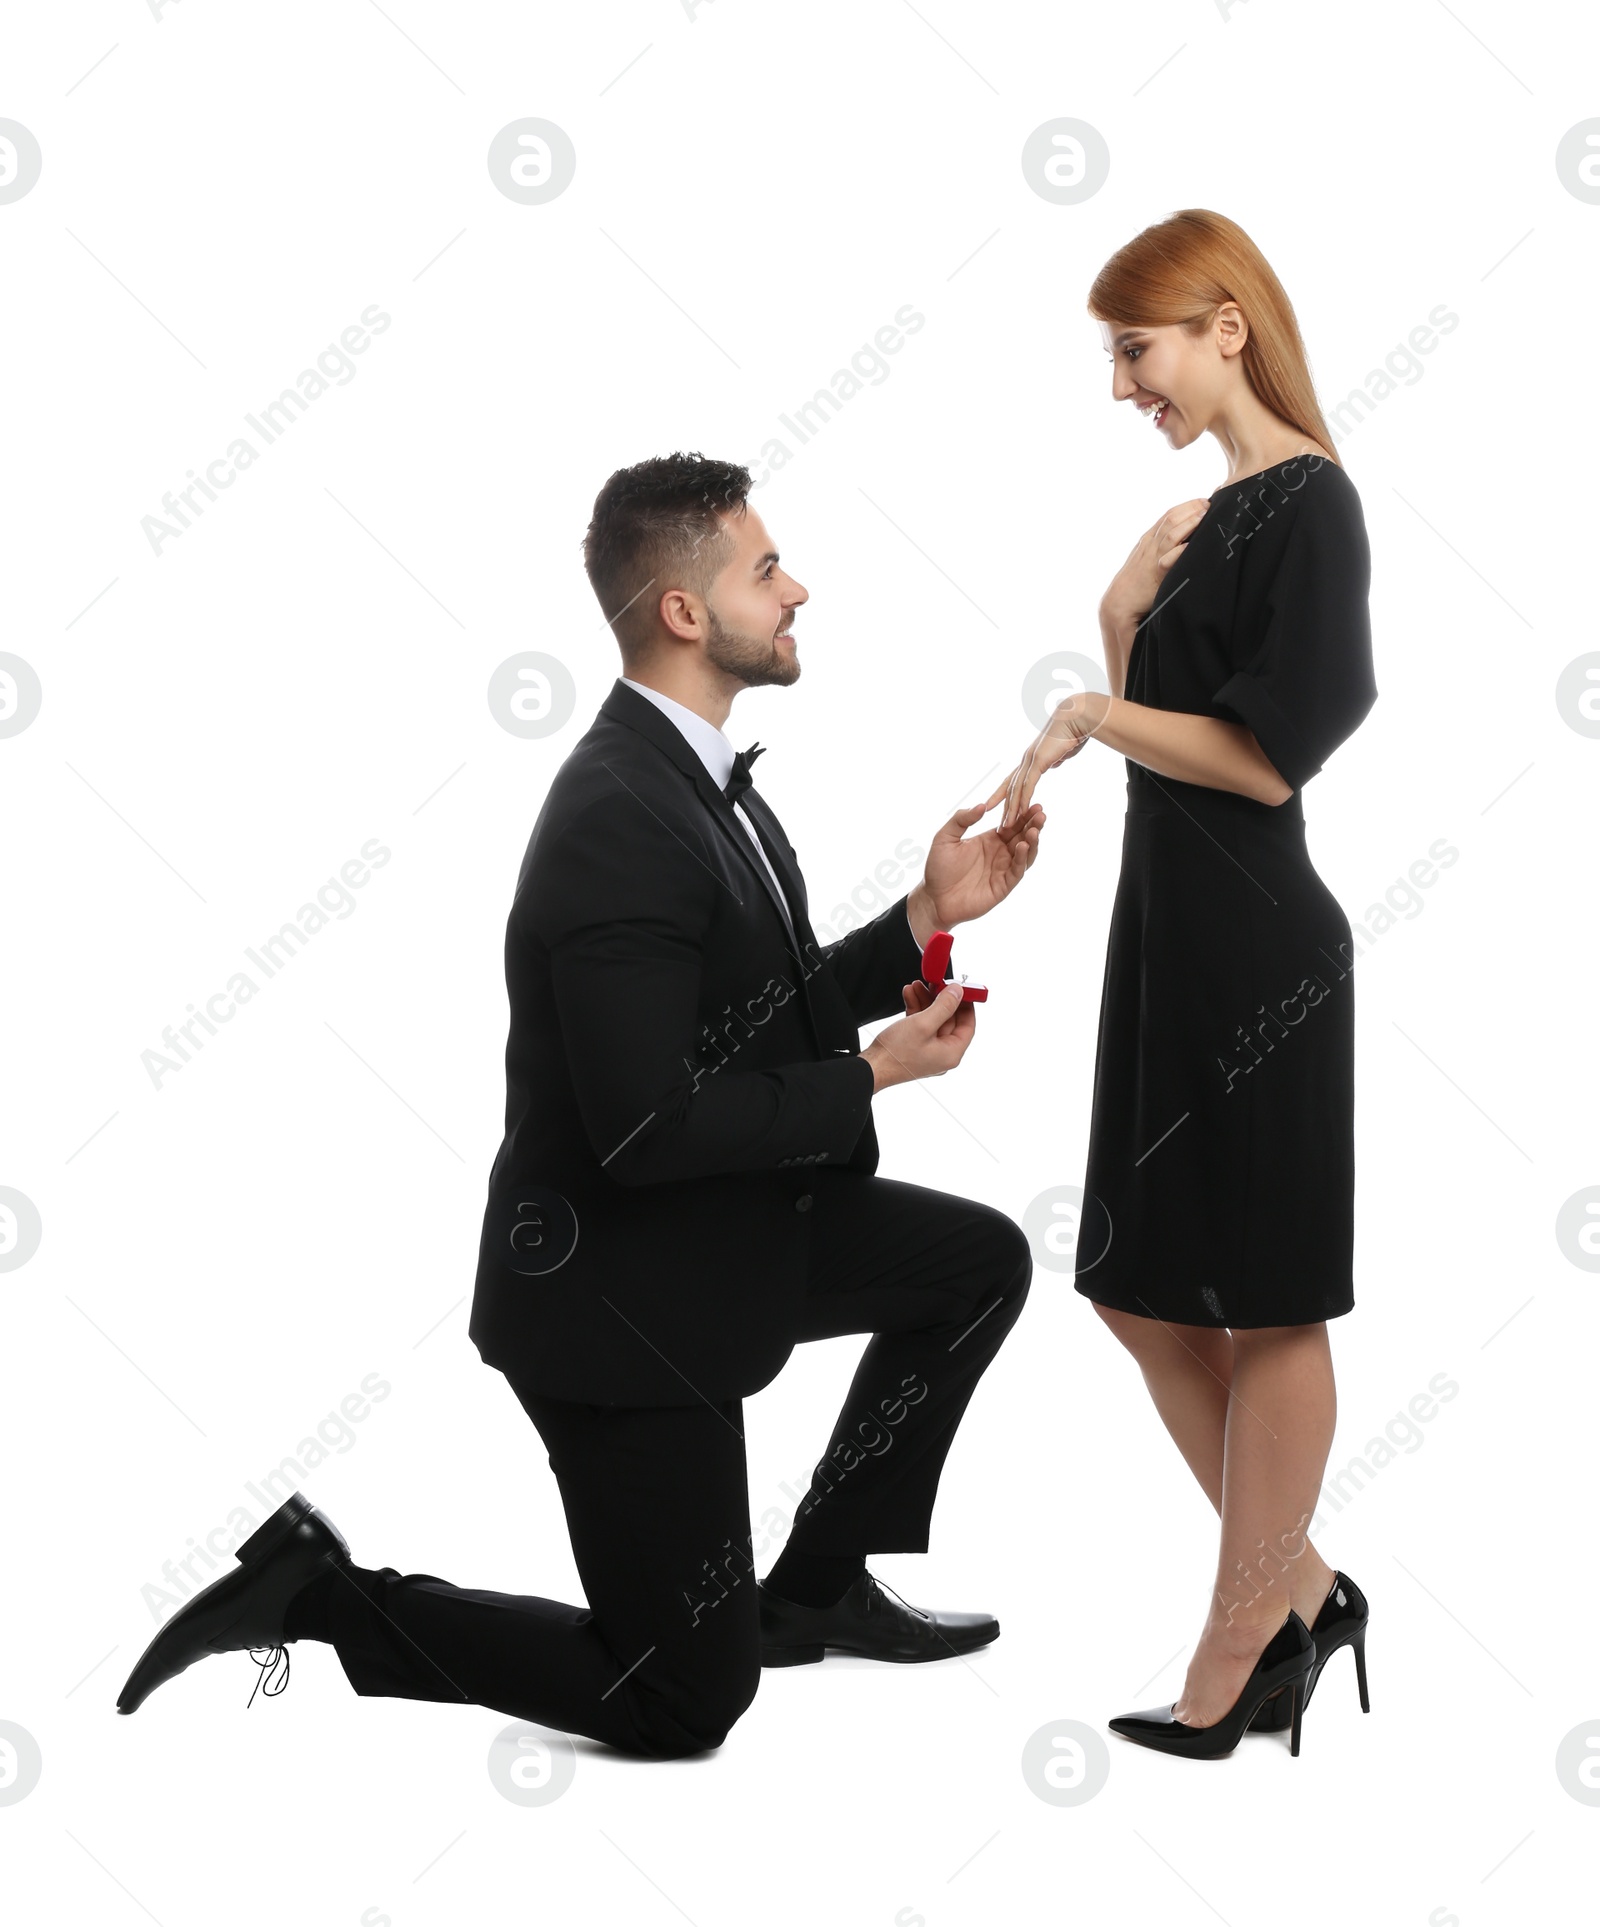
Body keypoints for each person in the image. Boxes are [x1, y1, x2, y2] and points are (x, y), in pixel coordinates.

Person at [118, 452, 1045, 1758]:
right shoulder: (619, 816)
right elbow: (647, 1127)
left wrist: (926, 918)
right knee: (687, 1703)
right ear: (682, 611)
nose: (799, 591)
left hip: (716, 1234)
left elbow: (745, 1027)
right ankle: (324, 1595)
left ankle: (821, 1586)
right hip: (619, 1299)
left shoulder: (700, 783)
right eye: (767, 570)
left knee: (978, 1265)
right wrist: (871, 1075)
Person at [992, 209, 1377, 1759]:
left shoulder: (1311, 508)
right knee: (1135, 1287)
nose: (1121, 384)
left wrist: (1093, 698)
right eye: (1111, 355)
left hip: (1258, 951)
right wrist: (1115, 628)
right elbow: (1176, 711)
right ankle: (1308, 1587)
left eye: (1133, 348)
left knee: (1267, 1302)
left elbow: (1272, 762)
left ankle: (1236, 1654)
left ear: (1228, 326)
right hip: (1166, 945)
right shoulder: (1204, 521)